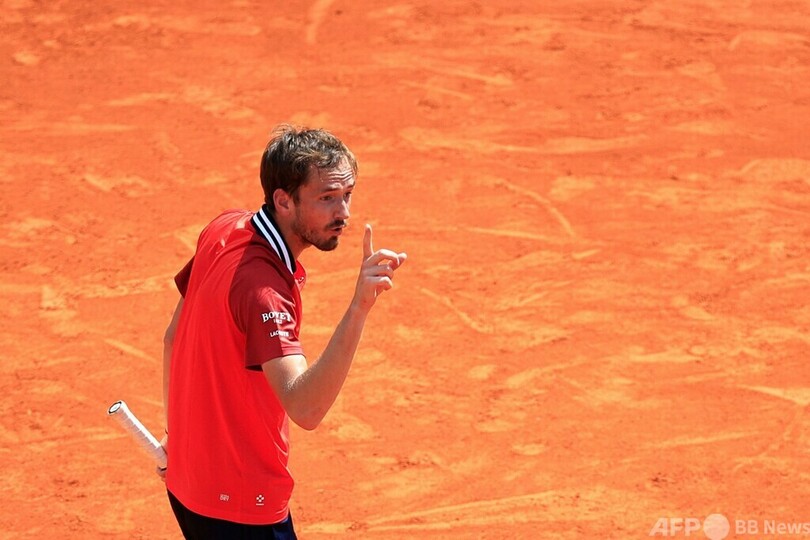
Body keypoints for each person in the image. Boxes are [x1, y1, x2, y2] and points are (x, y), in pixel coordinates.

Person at [159, 125, 407, 539]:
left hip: (189, 485)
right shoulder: (265, 292)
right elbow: (305, 407)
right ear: (283, 201)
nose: (343, 212)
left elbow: (172, 337)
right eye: (327, 198)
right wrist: (359, 307)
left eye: (347, 194)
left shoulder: (224, 228)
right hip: (241, 507)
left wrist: (178, 440)